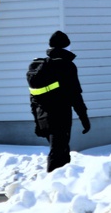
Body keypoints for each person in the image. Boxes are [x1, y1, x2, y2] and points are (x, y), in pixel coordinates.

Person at [29, 31, 91, 173]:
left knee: (61, 152)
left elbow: (33, 98)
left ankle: (61, 186)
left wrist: (37, 122)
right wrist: (84, 118)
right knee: (58, 154)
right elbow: (75, 96)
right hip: (60, 116)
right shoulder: (66, 66)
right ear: (66, 47)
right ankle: (52, 188)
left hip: (42, 116)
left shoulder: (36, 67)